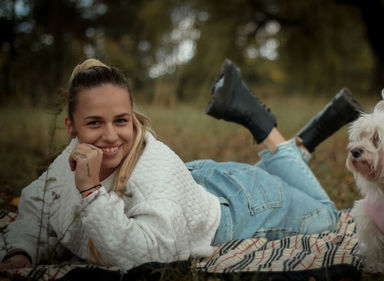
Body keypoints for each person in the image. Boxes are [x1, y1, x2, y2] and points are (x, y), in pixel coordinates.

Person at [0, 58, 362, 271]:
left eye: (121, 121)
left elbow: (148, 254)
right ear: (71, 128)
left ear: (131, 117)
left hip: (243, 208)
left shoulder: (151, 166)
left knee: (325, 215)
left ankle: (258, 121)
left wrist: (92, 193)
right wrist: (19, 252)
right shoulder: (70, 158)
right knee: (291, 187)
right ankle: (302, 143)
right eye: (94, 123)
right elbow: (36, 208)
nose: (110, 136)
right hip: (201, 185)